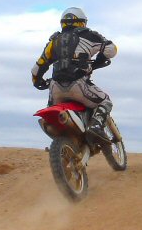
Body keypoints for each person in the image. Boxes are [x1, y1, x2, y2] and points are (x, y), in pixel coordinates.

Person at [31, 7, 118, 139]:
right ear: (82, 22)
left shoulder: (53, 41)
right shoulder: (89, 35)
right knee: (105, 101)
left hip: (55, 89)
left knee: (52, 114)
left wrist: (38, 81)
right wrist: (99, 61)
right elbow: (111, 50)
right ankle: (95, 127)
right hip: (79, 85)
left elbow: (37, 68)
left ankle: (62, 140)